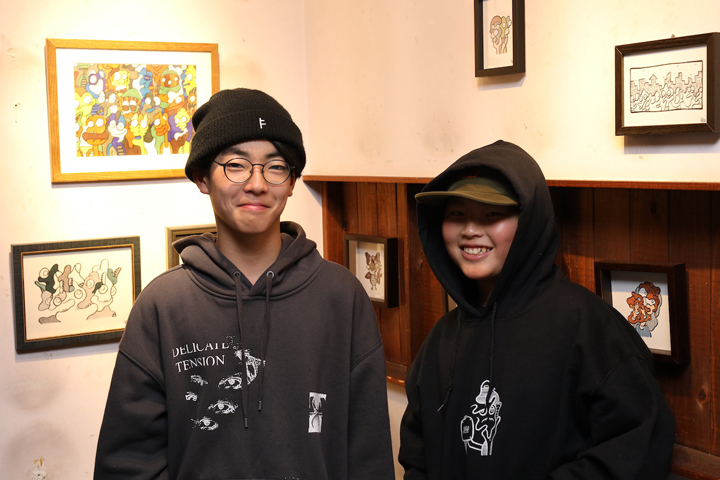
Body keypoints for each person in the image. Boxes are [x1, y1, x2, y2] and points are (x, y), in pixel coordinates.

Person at [94, 88, 395, 480]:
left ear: (292, 182)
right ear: (202, 177)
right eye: (236, 165)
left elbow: (369, 453)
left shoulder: (341, 296)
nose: (256, 184)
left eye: (275, 166)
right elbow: (128, 464)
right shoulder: (164, 305)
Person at [399, 140, 675, 479]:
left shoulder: (586, 325)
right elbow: (417, 454)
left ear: (528, 223)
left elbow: (638, 445)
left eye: (492, 214)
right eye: (457, 214)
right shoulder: (442, 338)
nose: (470, 230)